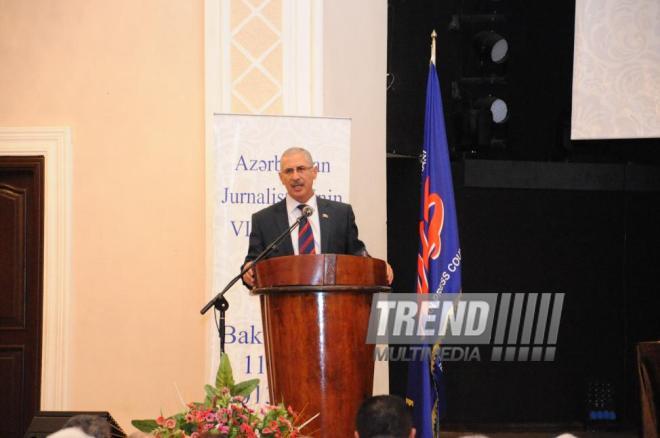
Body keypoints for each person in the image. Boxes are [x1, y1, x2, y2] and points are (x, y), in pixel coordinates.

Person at [242, 147, 393, 287]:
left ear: (314, 172)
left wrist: (377, 266)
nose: (295, 176)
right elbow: (253, 263)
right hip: (283, 308)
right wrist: (248, 271)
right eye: (289, 171)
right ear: (281, 178)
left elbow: (357, 255)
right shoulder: (264, 220)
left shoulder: (340, 214)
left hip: (333, 306)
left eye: (301, 169)